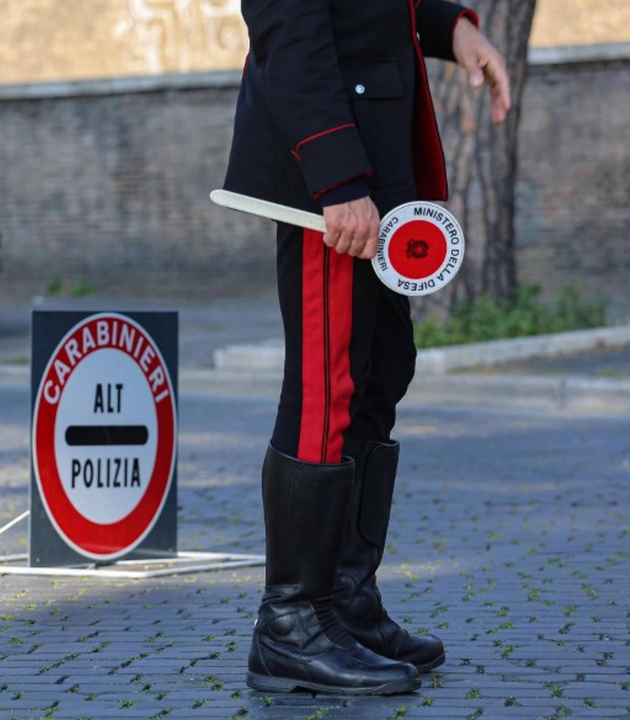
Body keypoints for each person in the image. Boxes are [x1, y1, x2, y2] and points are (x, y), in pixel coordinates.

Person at [222, 0, 512, 696]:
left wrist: (452, 28)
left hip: (374, 163)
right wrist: (336, 176)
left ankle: (344, 600)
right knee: (329, 385)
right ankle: (290, 623)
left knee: (382, 368)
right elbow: (287, 24)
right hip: (331, 178)